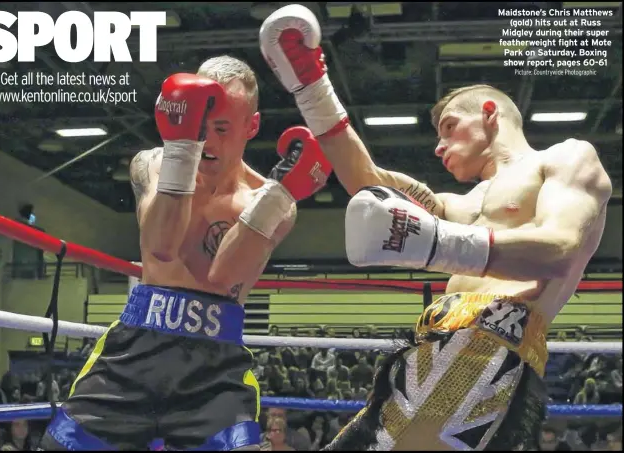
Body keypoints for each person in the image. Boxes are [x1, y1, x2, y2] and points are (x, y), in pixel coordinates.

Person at [259, 5, 612, 451]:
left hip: (494, 345)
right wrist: (311, 87)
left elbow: (560, 247)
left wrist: (437, 243)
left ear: (489, 113)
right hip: (436, 344)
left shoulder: (564, 158)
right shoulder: (463, 206)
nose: (439, 146)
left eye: (449, 127)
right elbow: (370, 184)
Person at [39, 55, 332, 450]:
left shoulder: (274, 203)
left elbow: (224, 275)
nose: (207, 140)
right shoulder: (154, 164)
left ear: (252, 126)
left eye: (222, 128)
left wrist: (278, 194)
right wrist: (181, 147)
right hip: (134, 350)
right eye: (200, 123)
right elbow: (161, 248)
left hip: (215, 368)